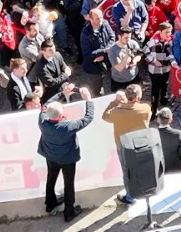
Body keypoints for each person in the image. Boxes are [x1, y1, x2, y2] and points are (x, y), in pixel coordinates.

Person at [37, 83, 97, 221]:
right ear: (61, 115)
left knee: (51, 179)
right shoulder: (68, 126)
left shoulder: (42, 121)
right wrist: (88, 99)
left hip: (50, 156)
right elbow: (88, 118)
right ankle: (68, 212)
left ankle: (50, 204)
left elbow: (46, 104)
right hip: (67, 159)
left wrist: (63, 94)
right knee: (68, 184)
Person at [102, 85, 154, 203]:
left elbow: (105, 116)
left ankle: (130, 196)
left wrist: (116, 101)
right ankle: (145, 190)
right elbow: (135, 108)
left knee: (127, 172)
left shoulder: (116, 112)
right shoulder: (145, 108)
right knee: (142, 169)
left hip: (124, 147)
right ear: (139, 96)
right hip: (141, 145)